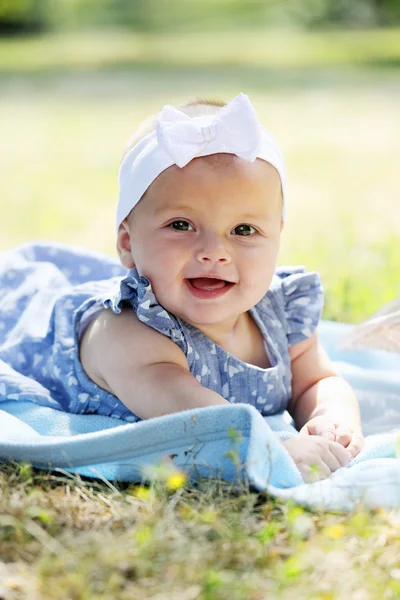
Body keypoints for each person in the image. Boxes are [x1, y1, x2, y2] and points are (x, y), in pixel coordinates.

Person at [0, 93, 364, 483]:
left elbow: (318, 380)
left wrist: (333, 417)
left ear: (277, 236)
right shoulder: (129, 333)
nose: (214, 252)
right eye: (181, 225)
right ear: (127, 243)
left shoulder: (280, 312)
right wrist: (275, 447)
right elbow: (202, 421)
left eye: (244, 230)